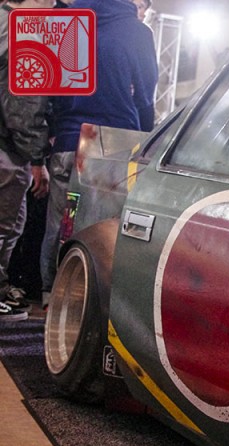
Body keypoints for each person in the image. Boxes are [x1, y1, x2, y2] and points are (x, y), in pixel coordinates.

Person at [40, 0, 158, 309]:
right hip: (113, 141)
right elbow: (146, 95)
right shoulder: (137, 32)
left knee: (59, 221)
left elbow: (47, 85)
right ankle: (84, 302)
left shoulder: (69, 21)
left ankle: (50, 294)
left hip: (67, 136)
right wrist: (145, 136)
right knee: (100, 227)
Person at [0, 0, 54, 321]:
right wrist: (37, 158)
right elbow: (25, 107)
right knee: (4, 226)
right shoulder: (24, 31)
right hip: (7, 150)